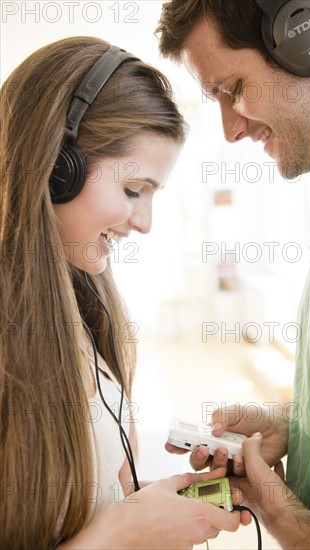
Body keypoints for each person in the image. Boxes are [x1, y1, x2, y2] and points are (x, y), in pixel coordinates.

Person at [0, 36, 242, 549]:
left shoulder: (87, 309)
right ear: (57, 168)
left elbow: (91, 509)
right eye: (133, 191)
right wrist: (121, 534)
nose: (145, 222)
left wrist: (153, 511)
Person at [157, 0, 310, 547]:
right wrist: (294, 425)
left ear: (307, 38)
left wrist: (298, 531)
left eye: (233, 88)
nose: (229, 128)